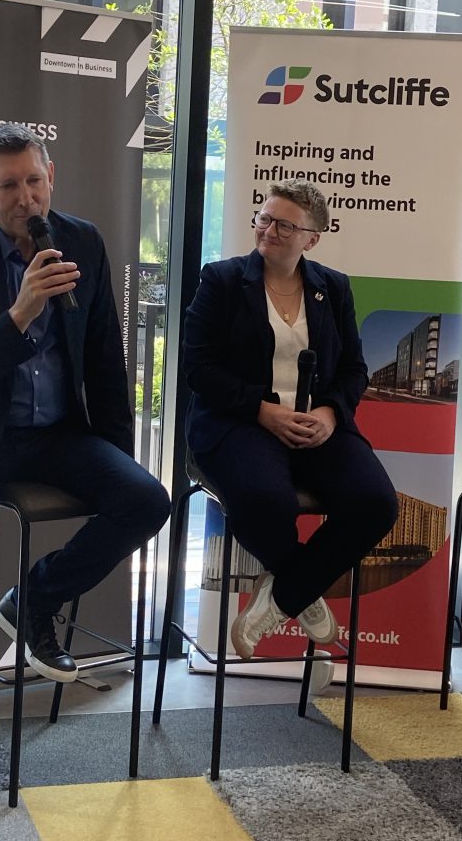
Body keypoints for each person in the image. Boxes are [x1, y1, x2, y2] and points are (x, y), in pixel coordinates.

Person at [0, 123, 170, 840]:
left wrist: (116, 459)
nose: (25, 198)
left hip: (57, 435)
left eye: (34, 181)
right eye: (8, 186)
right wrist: (20, 310)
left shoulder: (80, 240)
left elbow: (105, 360)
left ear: (50, 177)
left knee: (146, 499)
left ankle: (32, 600)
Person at [183, 180, 397, 665]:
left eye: (284, 225)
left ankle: (280, 596)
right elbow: (198, 367)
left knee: (376, 504)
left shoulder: (333, 287)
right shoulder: (221, 280)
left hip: (314, 423)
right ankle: (302, 592)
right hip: (239, 422)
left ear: (311, 239)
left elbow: (354, 369)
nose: (269, 230)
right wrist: (262, 410)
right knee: (264, 499)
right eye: (264, 218)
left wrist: (330, 413)